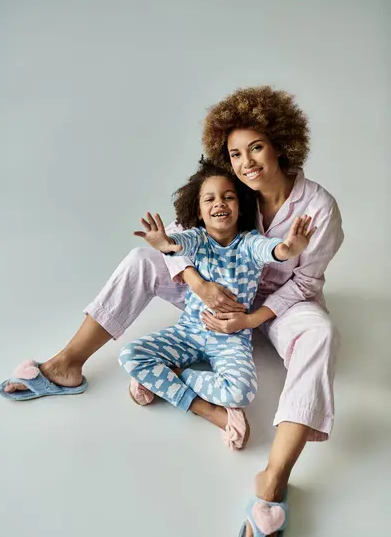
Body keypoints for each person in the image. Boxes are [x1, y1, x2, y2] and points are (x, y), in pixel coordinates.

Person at [0, 86, 343, 537]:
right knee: (142, 259)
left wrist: (249, 318)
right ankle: (66, 366)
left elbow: (303, 283)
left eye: (256, 148)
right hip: (215, 296)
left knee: (322, 332)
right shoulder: (231, 186)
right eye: (235, 153)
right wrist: (199, 285)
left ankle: (273, 479)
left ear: (281, 143)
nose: (245, 163)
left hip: (276, 307)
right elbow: (184, 238)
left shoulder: (318, 207)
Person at [120, 159, 315, 451]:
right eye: (209, 199)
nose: (219, 203)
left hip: (231, 338)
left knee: (240, 393)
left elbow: (273, 250)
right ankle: (206, 409)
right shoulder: (198, 238)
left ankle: (171, 374)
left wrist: (289, 249)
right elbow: (177, 244)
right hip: (188, 332)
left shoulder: (250, 242)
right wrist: (164, 243)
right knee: (130, 356)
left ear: (240, 205)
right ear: (199, 211)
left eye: (228, 197)